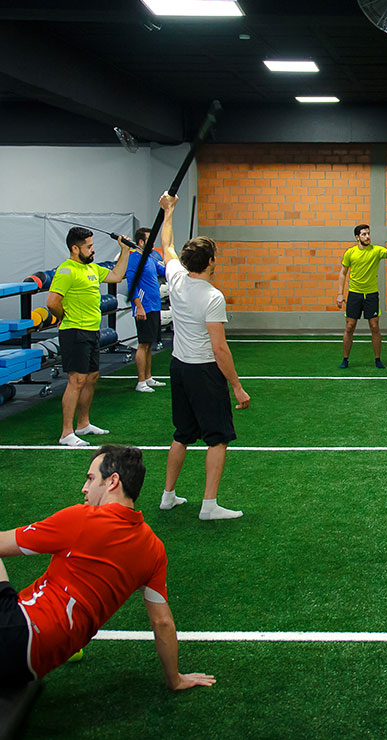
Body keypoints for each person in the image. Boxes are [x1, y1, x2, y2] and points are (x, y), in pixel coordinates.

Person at [0, 445, 214, 690]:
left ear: (112, 481)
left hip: (15, 631)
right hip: (33, 665)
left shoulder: (81, 519)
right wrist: (175, 679)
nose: (84, 487)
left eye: (91, 479)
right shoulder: (154, 549)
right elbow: (162, 622)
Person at [158, 193, 250, 520]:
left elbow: (165, 245)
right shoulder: (213, 297)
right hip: (204, 374)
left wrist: (168, 211)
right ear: (211, 262)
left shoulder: (176, 277)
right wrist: (237, 387)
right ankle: (209, 506)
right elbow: (219, 349)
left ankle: (167, 496)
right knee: (218, 438)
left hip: (179, 369)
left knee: (182, 434)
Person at [47, 227, 129, 446]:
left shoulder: (92, 268)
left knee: (91, 378)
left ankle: (83, 424)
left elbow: (116, 276)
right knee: (76, 380)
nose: (93, 250)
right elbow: (52, 302)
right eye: (88, 247)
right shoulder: (66, 271)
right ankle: (66, 433)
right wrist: (65, 317)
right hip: (74, 331)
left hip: (92, 331)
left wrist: (125, 251)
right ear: (75, 248)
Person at [336, 224, 387, 369]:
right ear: (357, 237)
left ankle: (377, 359)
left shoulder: (376, 250)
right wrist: (340, 294)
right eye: (364, 234)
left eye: (368, 233)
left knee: (374, 326)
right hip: (354, 294)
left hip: (371, 295)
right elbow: (343, 273)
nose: (367, 236)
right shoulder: (350, 253)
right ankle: (345, 359)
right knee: (350, 326)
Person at [125, 227, 167, 393]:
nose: (153, 243)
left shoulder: (149, 258)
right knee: (143, 344)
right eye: (150, 240)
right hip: (144, 307)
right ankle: (141, 381)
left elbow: (163, 271)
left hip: (155, 305)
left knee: (149, 344)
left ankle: (148, 377)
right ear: (141, 242)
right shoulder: (134, 259)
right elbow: (131, 283)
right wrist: (139, 306)